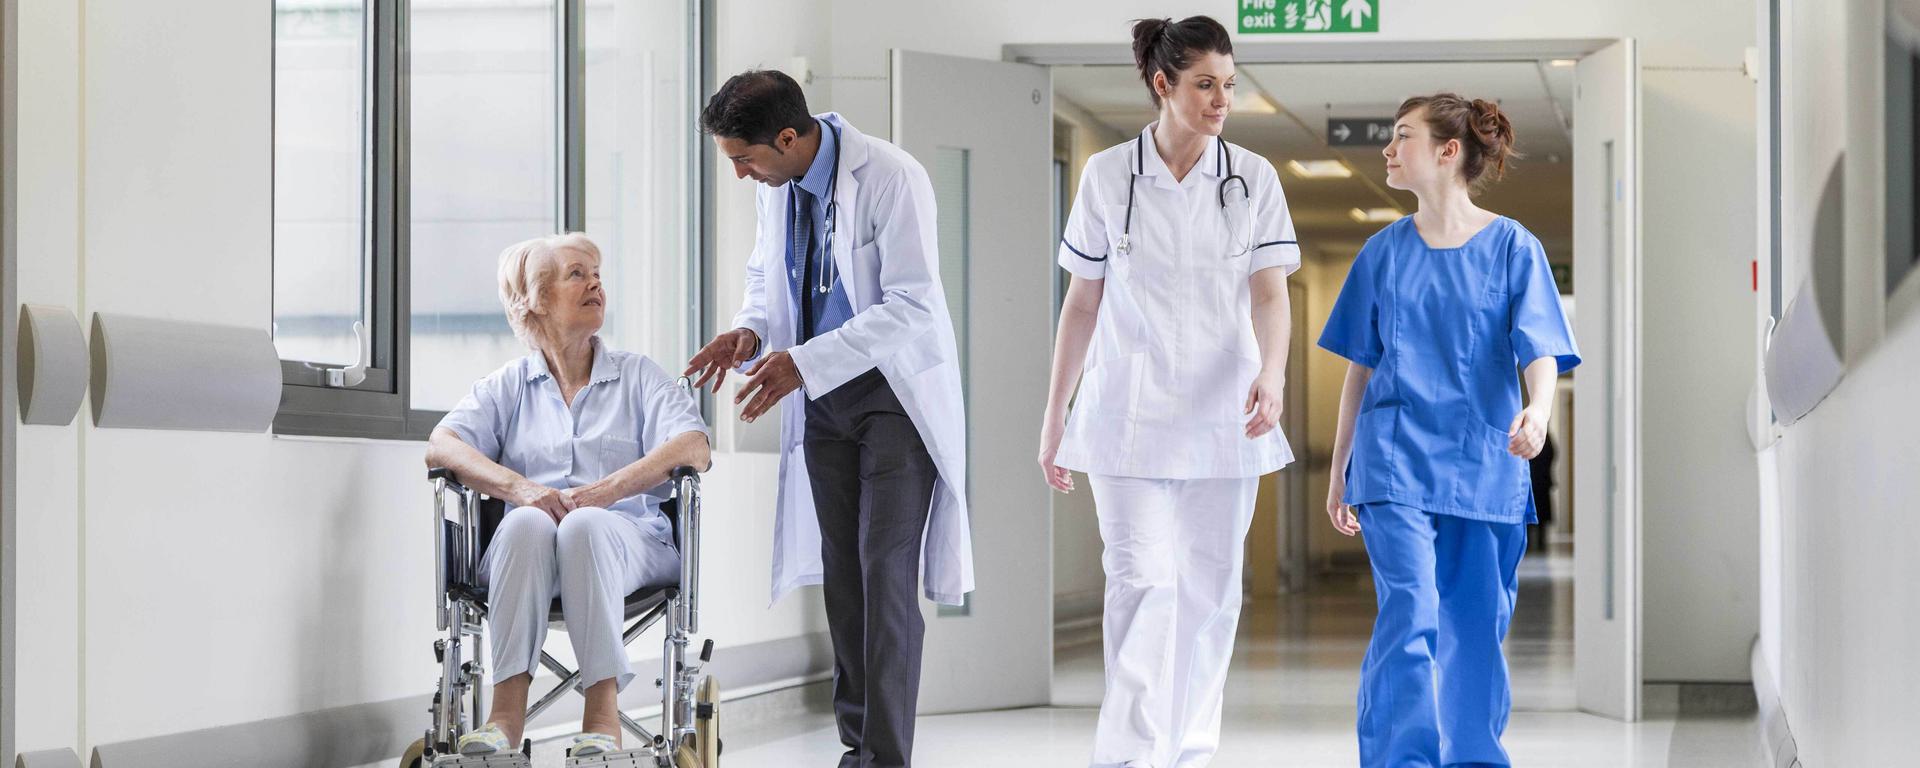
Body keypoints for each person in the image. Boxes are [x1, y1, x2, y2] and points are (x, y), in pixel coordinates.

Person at [685, 69, 972, 768]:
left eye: (744, 159)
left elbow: (911, 305)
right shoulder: (778, 189)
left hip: (894, 399)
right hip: (822, 400)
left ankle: (885, 756)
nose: (741, 174)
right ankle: (857, 744)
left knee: (885, 572)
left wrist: (803, 364)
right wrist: (749, 330)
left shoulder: (891, 178)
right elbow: (766, 274)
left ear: (788, 138)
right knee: (844, 574)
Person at [1038, 16, 1300, 768]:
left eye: (1228, 84)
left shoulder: (1252, 178)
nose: (1221, 99)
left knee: (1210, 598)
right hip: (1127, 418)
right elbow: (1081, 303)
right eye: (1204, 85)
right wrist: (1055, 412)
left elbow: (1271, 296)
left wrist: (1272, 373)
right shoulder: (1107, 177)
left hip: (1226, 420)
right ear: (1163, 85)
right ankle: (1127, 756)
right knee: (1141, 584)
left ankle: (1189, 752)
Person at [1319, 93, 1580, 768]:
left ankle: (1472, 758)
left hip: (1483, 460)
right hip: (1393, 460)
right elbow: (1360, 368)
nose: (1388, 149)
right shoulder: (1381, 253)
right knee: (1410, 613)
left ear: (1447, 151)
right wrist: (1340, 465)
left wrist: (1540, 411)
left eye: (1401, 136)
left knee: (1473, 628)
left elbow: (1541, 349)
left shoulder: (1511, 246)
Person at [425, 233, 713, 758]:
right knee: (528, 521)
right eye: (577, 273)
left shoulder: (637, 376)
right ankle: (503, 717)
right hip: (525, 555)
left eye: (597, 272)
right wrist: (519, 488)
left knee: (582, 524)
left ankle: (602, 716)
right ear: (534, 298)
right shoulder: (507, 386)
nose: (595, 282)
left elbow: (693, 445)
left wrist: (607, 491)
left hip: (632, 547)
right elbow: (441, 445)